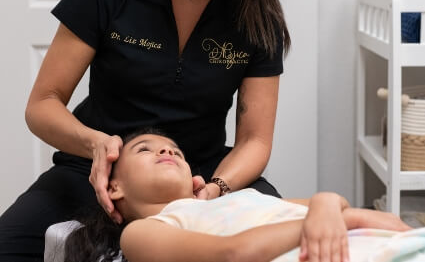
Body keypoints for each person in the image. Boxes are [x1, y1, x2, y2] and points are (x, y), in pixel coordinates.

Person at [0, 0, 291, 261]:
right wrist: (95, 145)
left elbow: (255, 140)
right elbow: (42, 104)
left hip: (201, 174)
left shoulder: (254, 13)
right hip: (92, 171)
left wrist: (215, 190)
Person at [60, 129, 412, 262]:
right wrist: (336, 217)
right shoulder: (144, 232)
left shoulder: (238, 198)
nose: (167, 152)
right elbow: (232, 254)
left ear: (194, 179)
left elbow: (337, 203)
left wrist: (325, 205)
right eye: (145, 150)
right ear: (114, 187)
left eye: (175, 151)